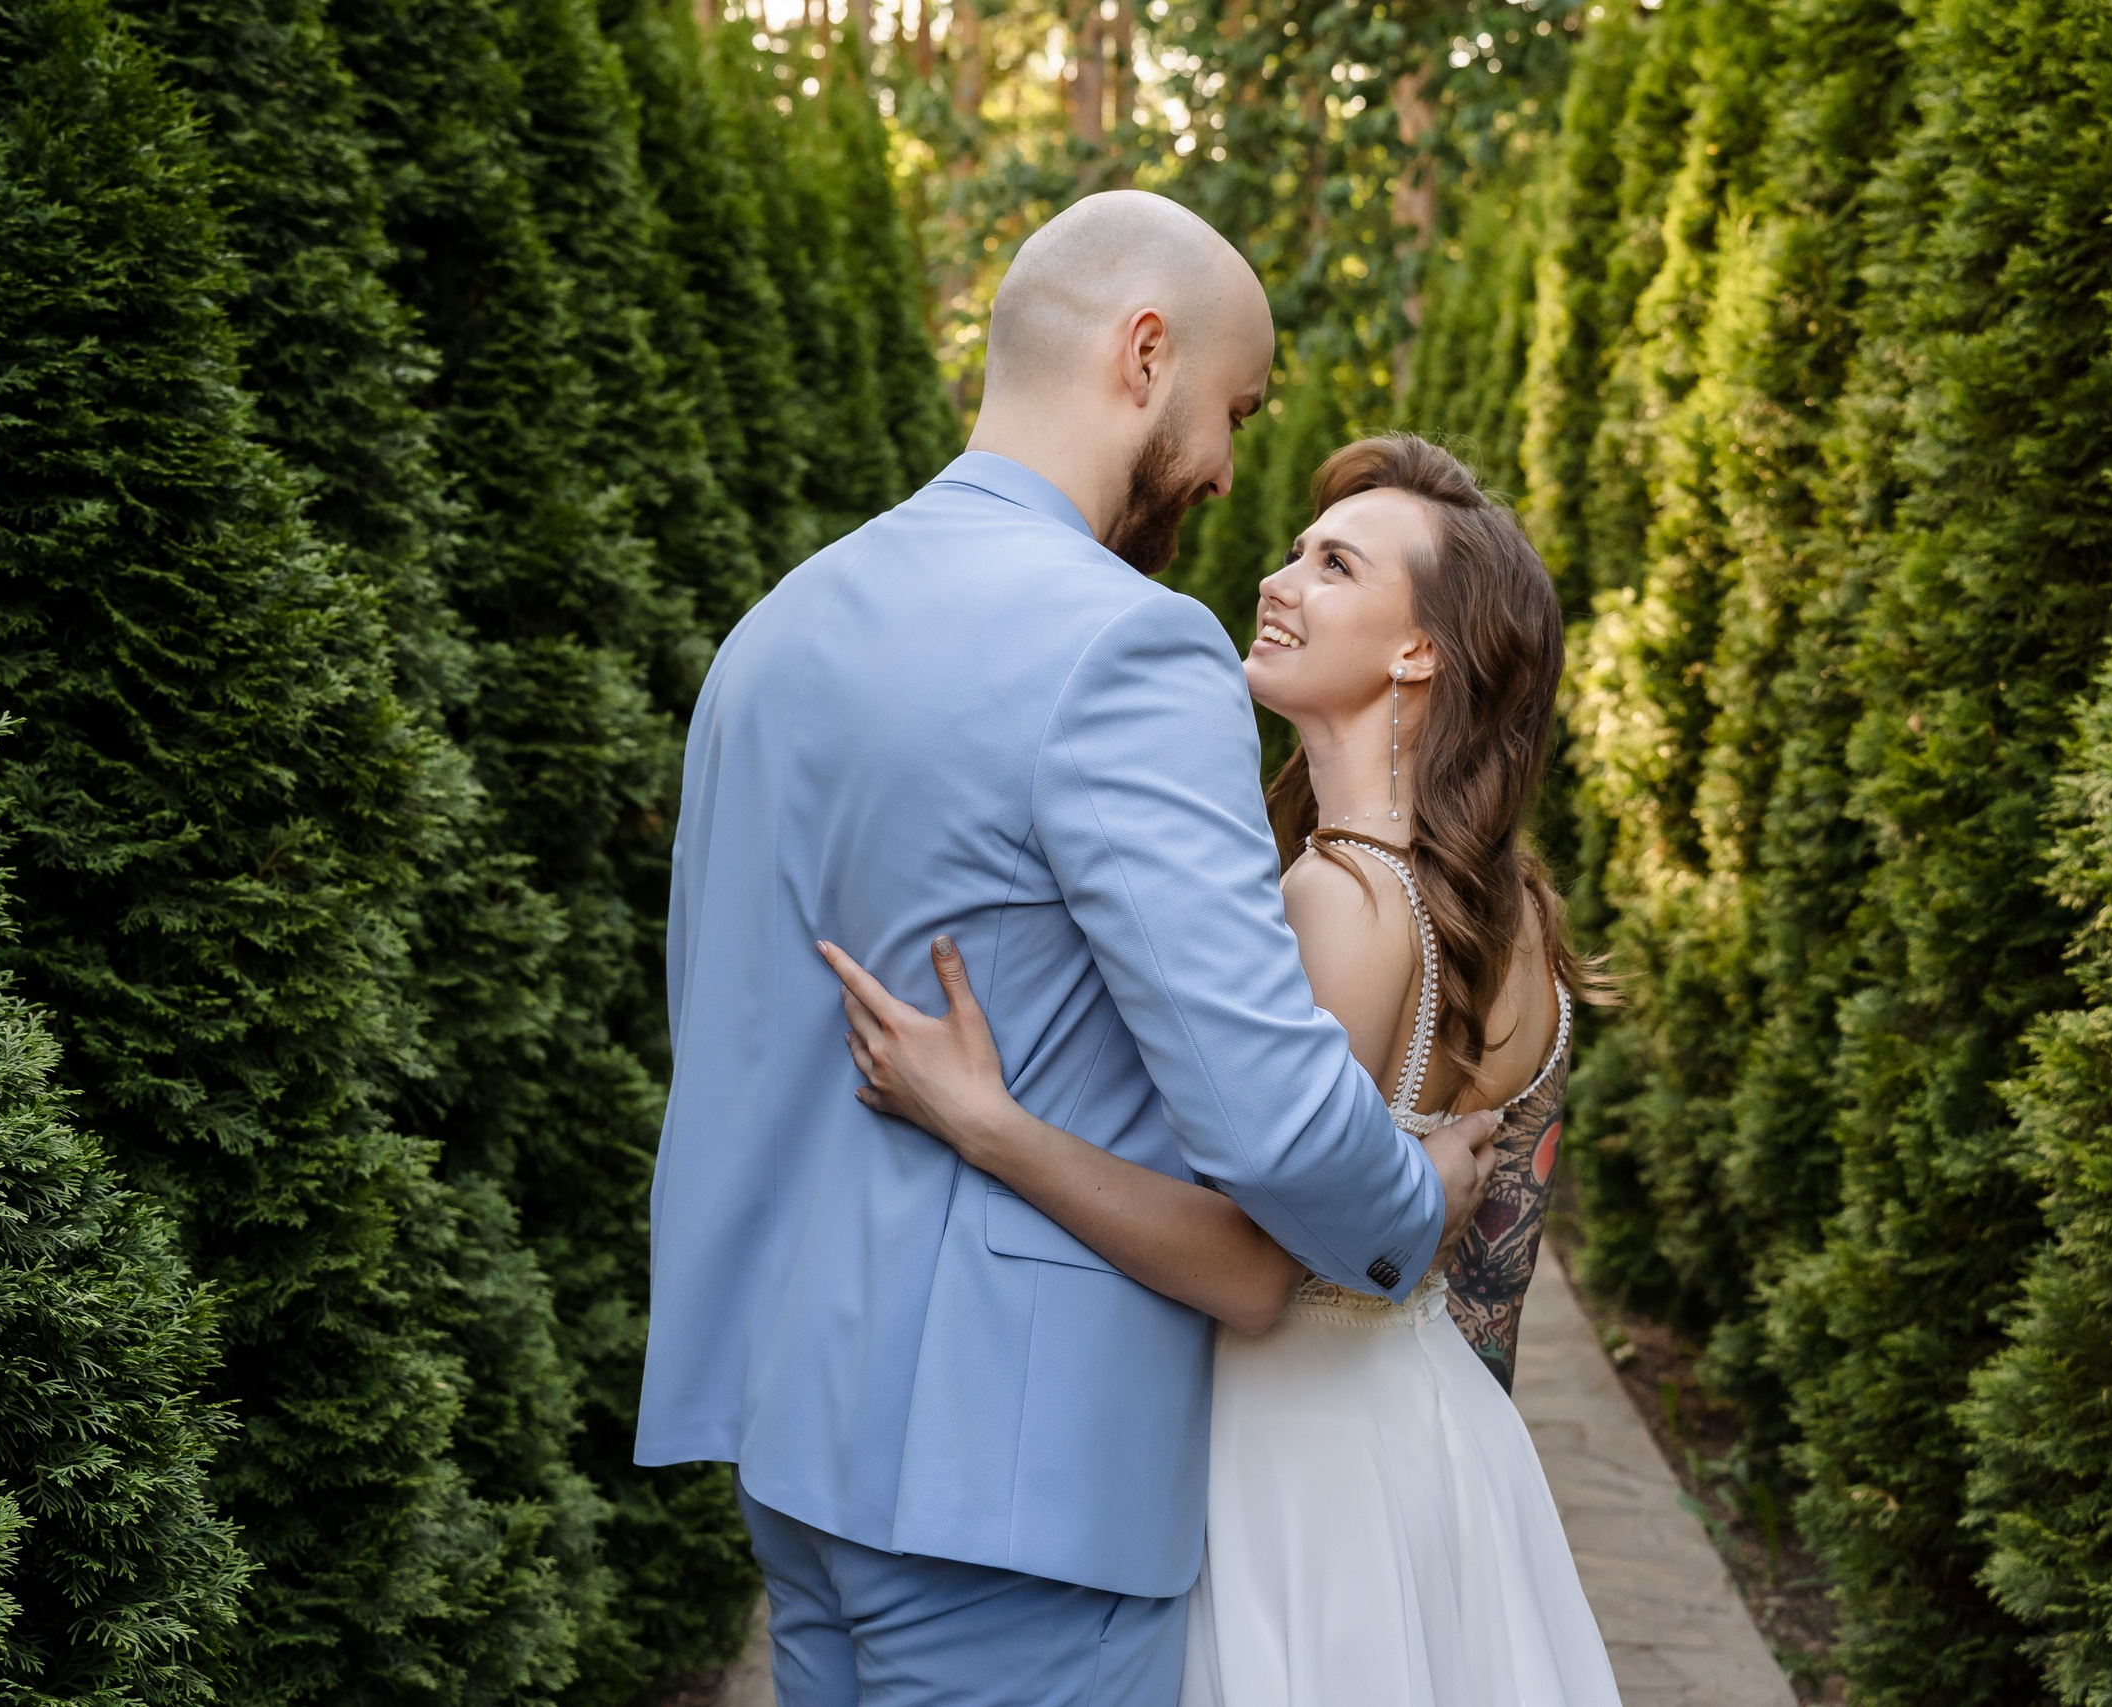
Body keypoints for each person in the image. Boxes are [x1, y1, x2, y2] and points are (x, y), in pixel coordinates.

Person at [633, 188, 1500, 1707]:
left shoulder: (774, 627)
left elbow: (724, 1018)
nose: (1228, 469)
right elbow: (1267, 1107)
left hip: (786, 1434)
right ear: (1143, 354)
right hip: (1014, 1483)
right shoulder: (1129, 643)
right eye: (1234, 411)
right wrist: (1409, 1204)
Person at [821, 432, 1623, 1706]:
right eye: (1297, 550)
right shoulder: (1515, 912)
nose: (1279, 579)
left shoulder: (1333, 899)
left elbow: (1250, 1272)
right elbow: (1494, 1276)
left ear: (1419, 652)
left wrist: (986, 1122)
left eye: (1337, 565)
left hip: (1283, 1461)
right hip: (1436, 1447)